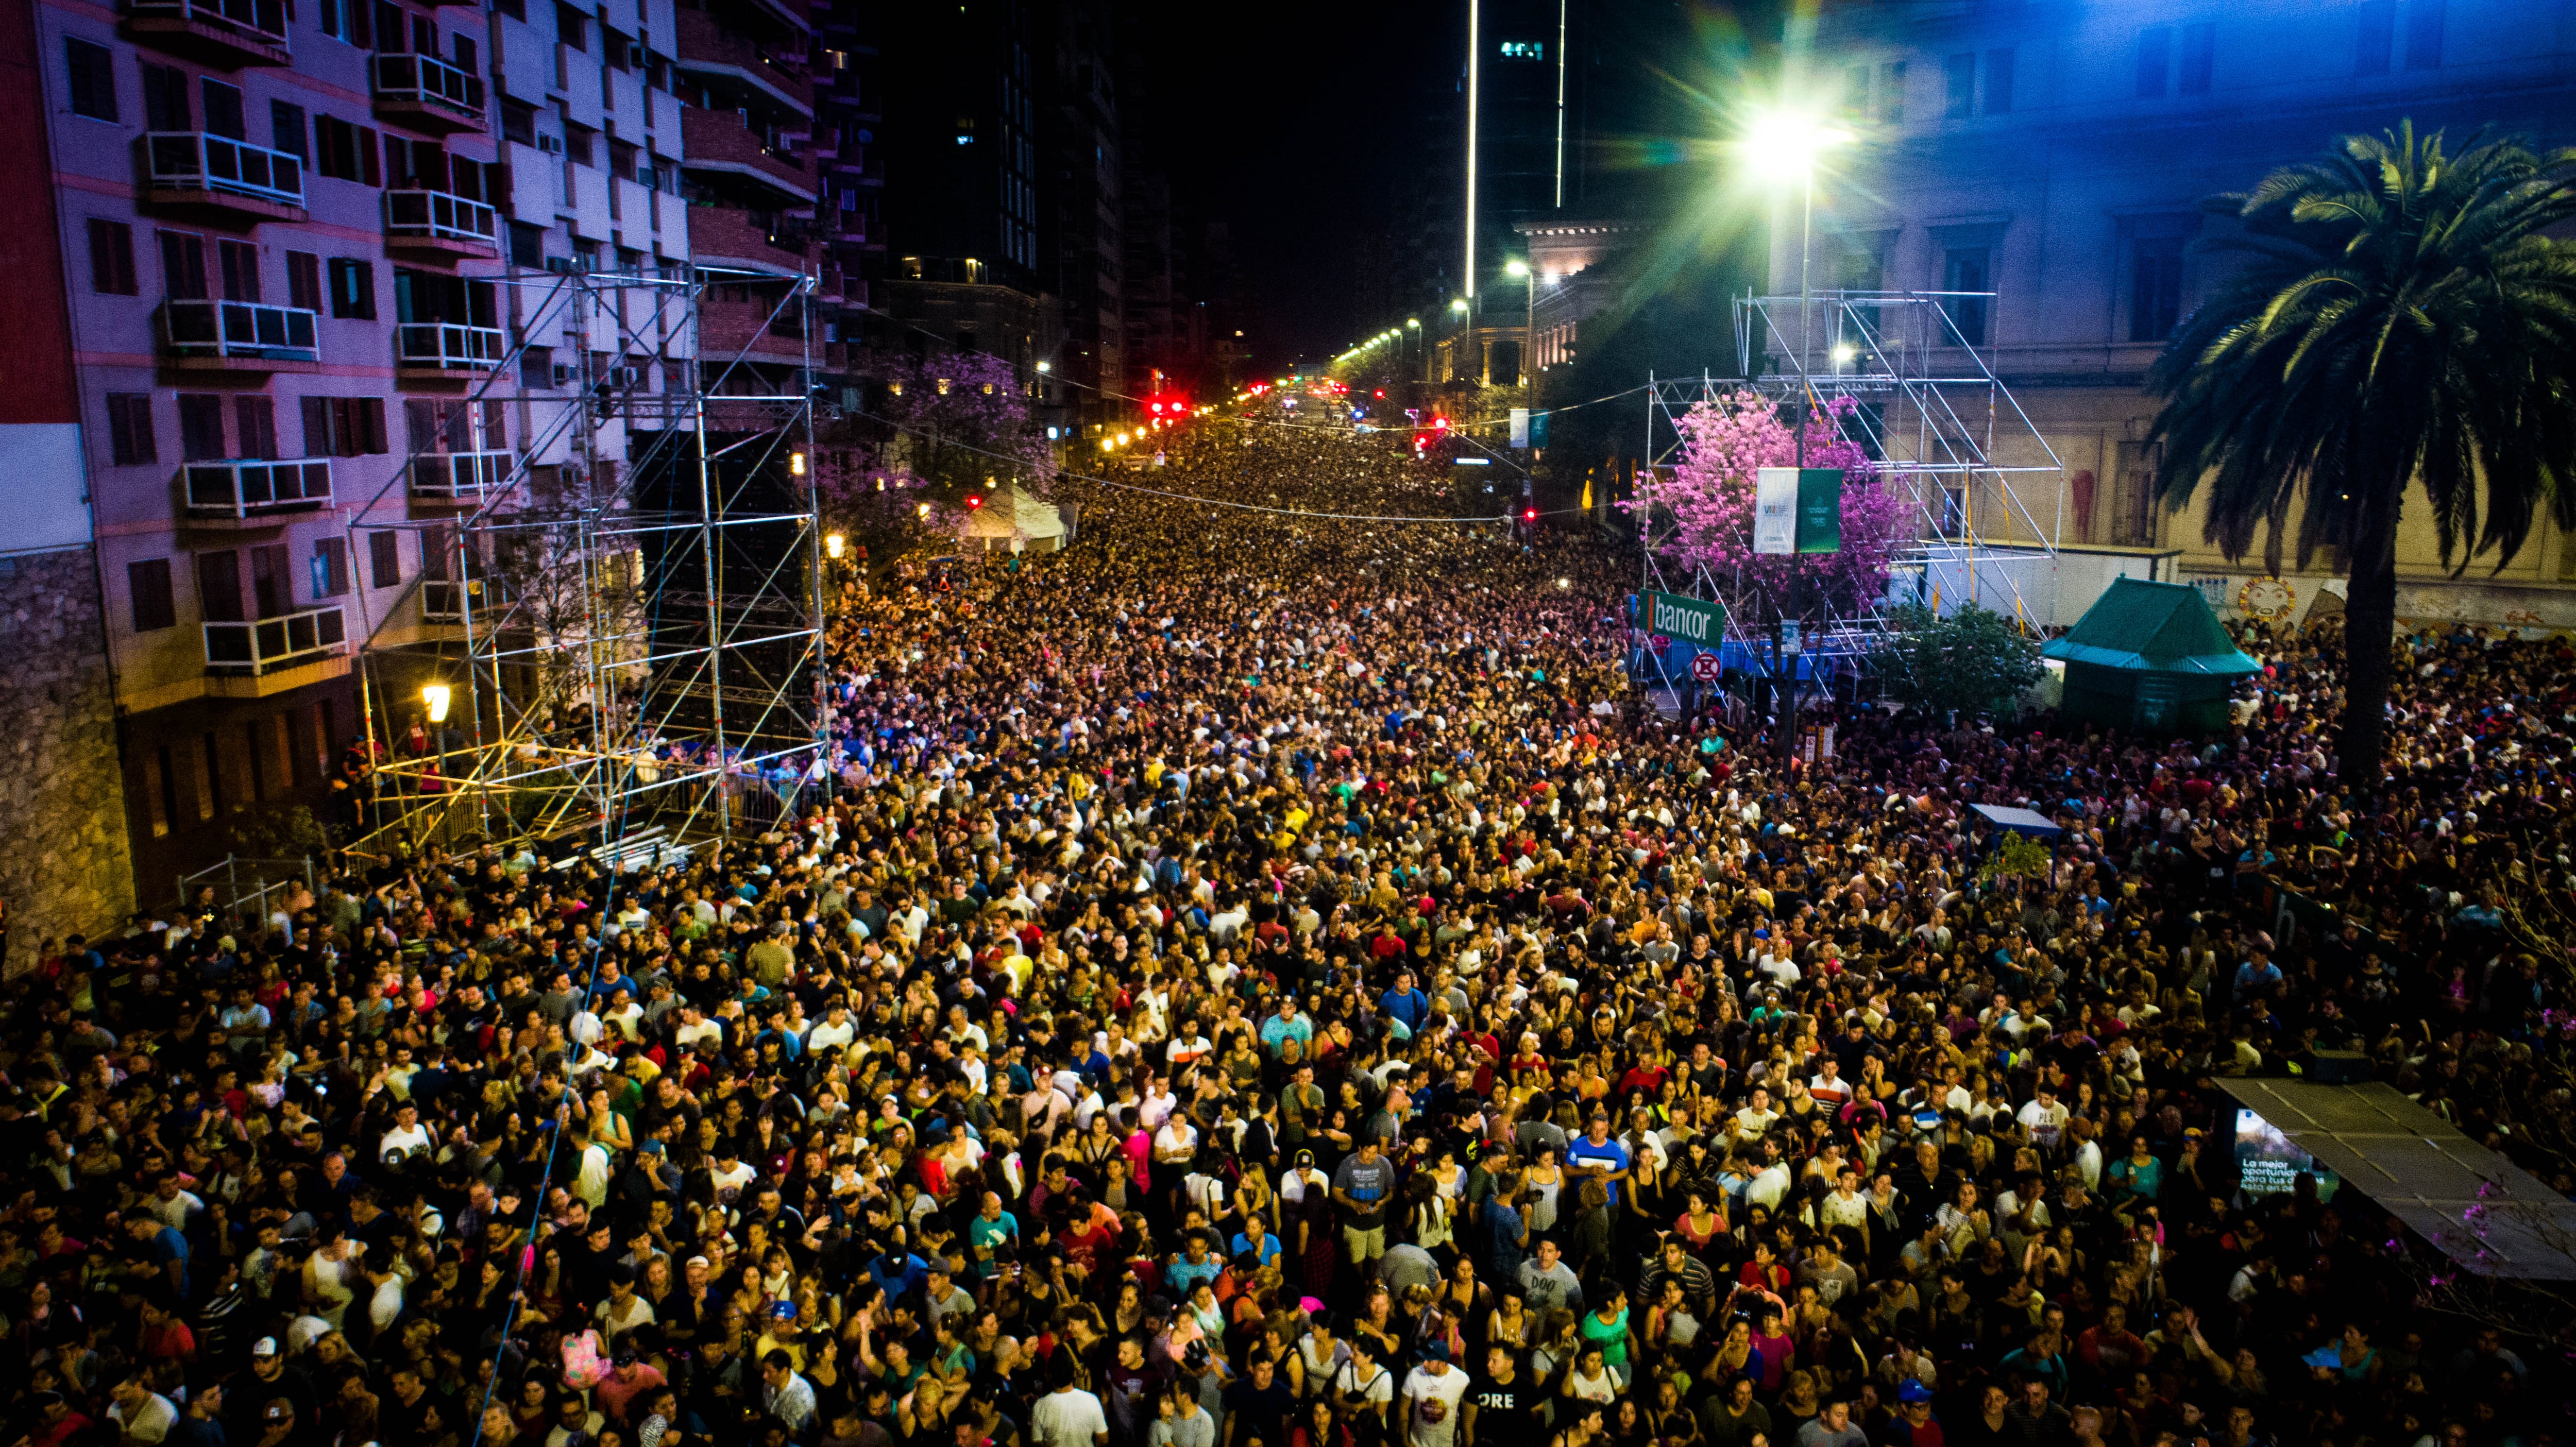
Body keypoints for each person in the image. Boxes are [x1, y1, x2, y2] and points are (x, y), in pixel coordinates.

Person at [1399, 1341, 1469, 1447]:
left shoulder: (1462, 1380)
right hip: (1418, 1444)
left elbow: (1467, 1417)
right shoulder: (1414, 1375)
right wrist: (1405, 1441)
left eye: (1429, 1360)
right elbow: (1403, 1409)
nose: (1424, 1363)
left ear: (1442, 1364)